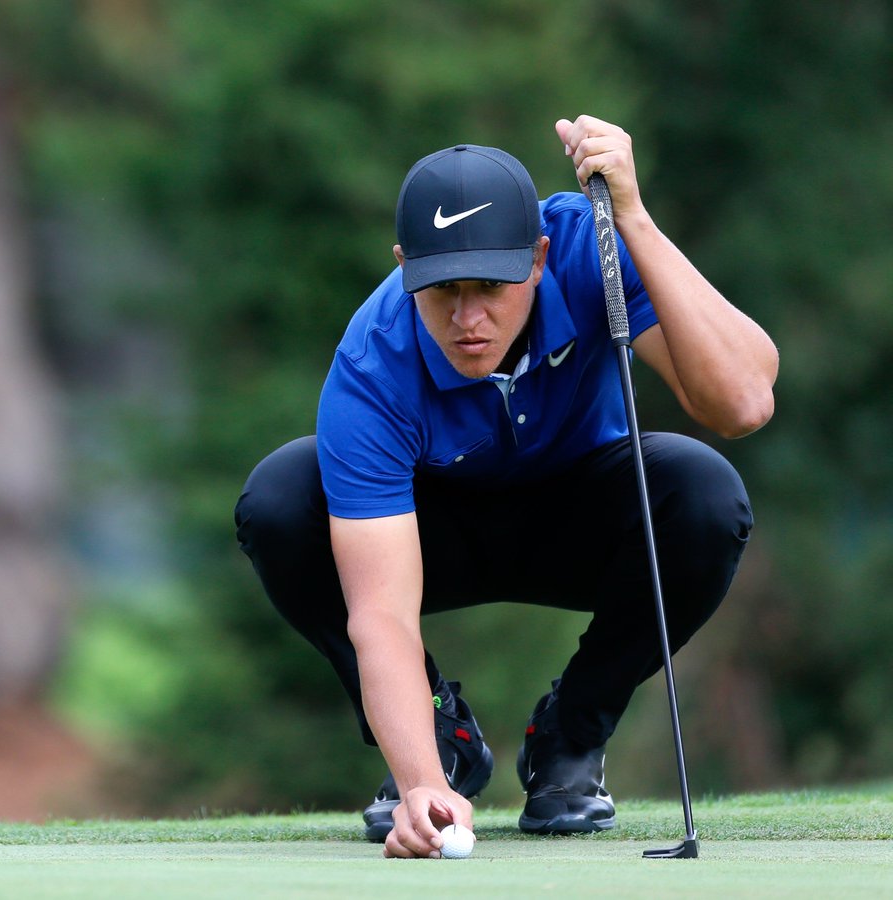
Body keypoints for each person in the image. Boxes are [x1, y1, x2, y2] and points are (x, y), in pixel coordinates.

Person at [234, 116, 778, 859]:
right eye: (441, 290)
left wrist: (635, 220)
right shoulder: (372, 361)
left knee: (705, 492)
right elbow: (382, 616)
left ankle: (571, 734)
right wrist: (419, 778)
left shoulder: (592, 252)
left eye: (490, 286)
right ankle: (441, 737)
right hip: (432, 529)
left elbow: (742, 403)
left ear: (539, 258)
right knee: (281, 499)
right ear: (403, 268)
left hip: (578, 515)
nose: (468, 319)